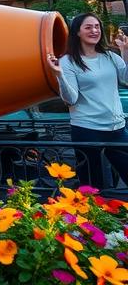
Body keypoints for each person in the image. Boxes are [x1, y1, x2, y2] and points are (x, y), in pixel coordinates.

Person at [48, 13, 128, 188]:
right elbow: (71, 98)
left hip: (117, 127)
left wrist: (125, 51)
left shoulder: (110, 56)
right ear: (77, 32)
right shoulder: (67, 61)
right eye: (88, 27)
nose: (94, 30)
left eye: (97, 26)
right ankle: (95, 214)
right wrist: (59, 75)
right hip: (87, 128)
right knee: (92, 184)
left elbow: (126, 79)